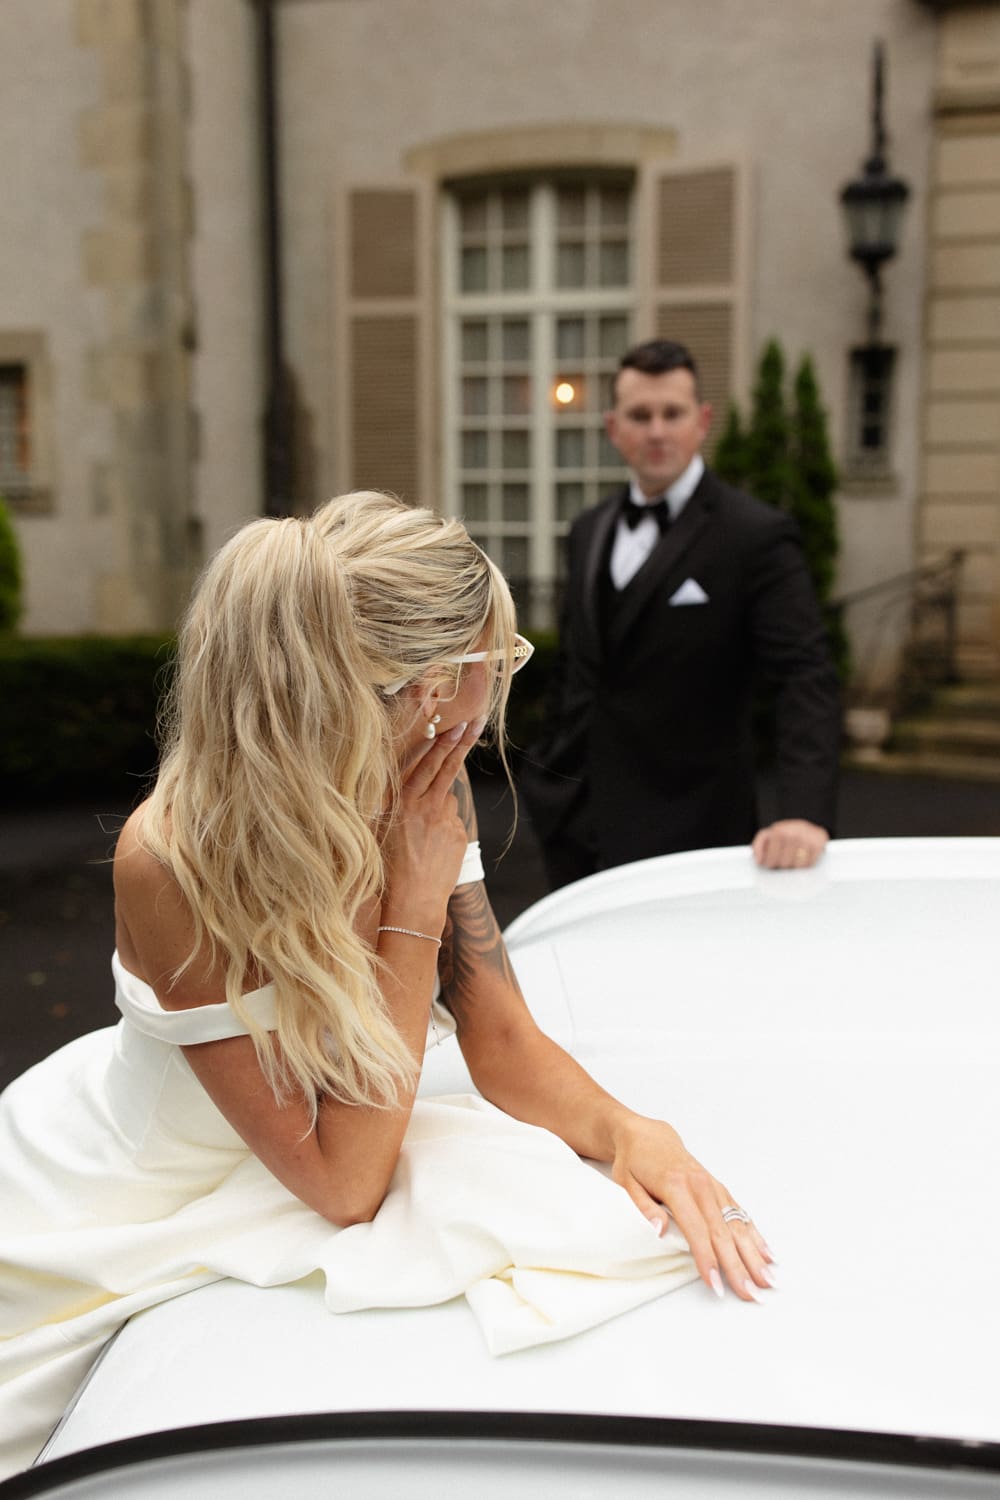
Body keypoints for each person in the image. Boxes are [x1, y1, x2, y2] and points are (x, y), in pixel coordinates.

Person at [0, 491, 773, 1477]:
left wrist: (629, 1132)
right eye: (494, 666)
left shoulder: (424, 776)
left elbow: (498, 1039)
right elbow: (343, 1184)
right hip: (136, 1201)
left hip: (337, 1132)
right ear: (415, 686)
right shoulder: (173, 859)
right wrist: (410, 902)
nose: (495, 693)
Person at [520, 338, 841, 889]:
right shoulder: (588, 530)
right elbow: (578, 669)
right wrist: (545, 779)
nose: (657, 431)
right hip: (576, 825)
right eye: (641, 415)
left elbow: (803, 676)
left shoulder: (755, 536)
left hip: (694, 828)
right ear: (613, 427)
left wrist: (803, 811)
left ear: (702, 421)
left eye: (673, 413)